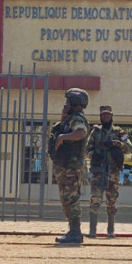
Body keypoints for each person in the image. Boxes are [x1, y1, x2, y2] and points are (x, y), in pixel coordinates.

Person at [49, 88, 90, 244]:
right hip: (65, 166)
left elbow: (81, 132)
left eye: (67, 101)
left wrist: (63, 137)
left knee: (71, 199)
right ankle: (73, 231)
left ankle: (75, 233)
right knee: (67, 199)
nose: (65, 104)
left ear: (74, 102)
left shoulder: (77, 119)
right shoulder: (68, 119)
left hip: (72, 167)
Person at [86, 105, 132, 238]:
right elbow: (87, 150)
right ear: (100, 116)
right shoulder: (95, 132)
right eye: (103, 115)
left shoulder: (119, 132)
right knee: (95, 199)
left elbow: (129, 148)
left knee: (112, 201)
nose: (106, 117)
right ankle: (92, 230)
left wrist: (117, 144)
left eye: (108, 115)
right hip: (98, 171)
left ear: (112, 116)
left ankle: (111, 230)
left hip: (113, 171)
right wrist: (94, 155)